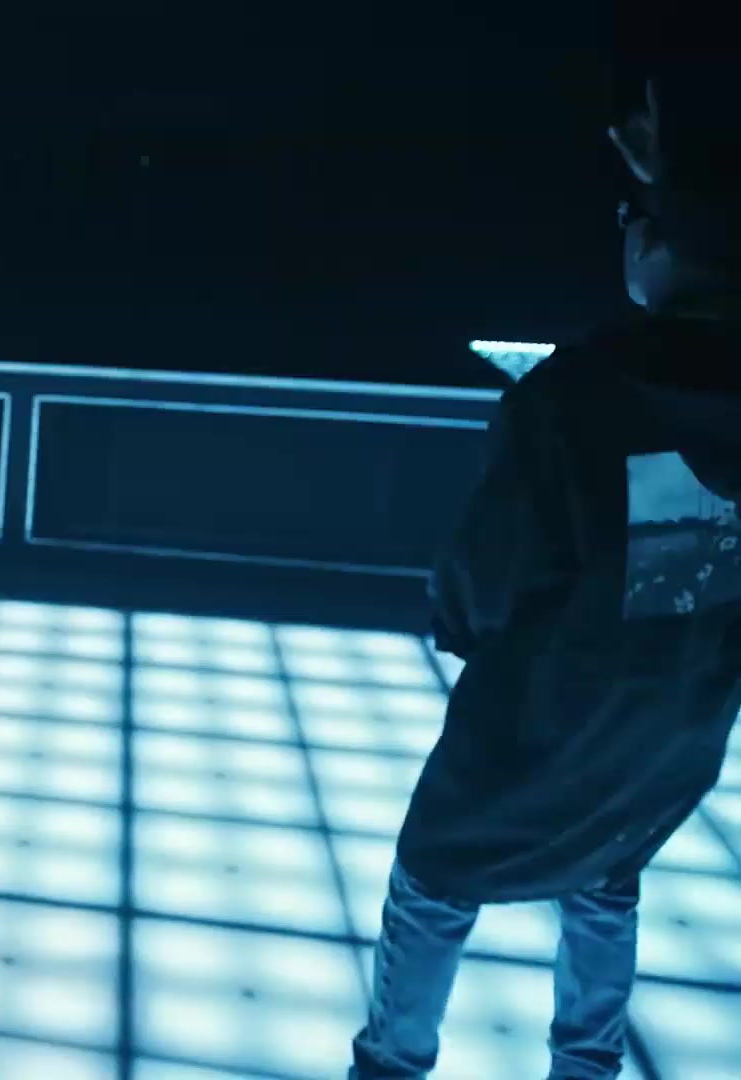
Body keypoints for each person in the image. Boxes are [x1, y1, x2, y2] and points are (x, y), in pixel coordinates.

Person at [352, 79, 741, 1079]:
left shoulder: (576, 396)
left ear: (653, 244)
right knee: (608, 875)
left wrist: (461, 623)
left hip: (544, 715)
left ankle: (391, 1065)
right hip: (676, 724)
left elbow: (484, 576)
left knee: (435, 874)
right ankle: (586, 1067)